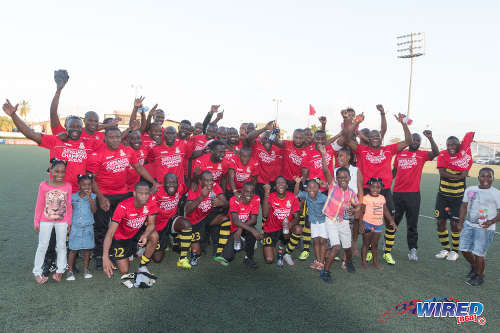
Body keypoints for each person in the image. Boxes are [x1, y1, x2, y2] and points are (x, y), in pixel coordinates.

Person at [343, 110, 412, 265]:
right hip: (367, 191)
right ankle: (363, 250)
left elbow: (408, 141)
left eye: (378, 137)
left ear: (381, 139)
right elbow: (347, 139)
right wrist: (355, 122)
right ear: (368, 139)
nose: (375, 139)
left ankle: (387, 251)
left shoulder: (388, 149)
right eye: (372, 137)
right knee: (362, 220)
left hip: (385, 191)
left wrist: (403, 123)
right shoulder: (362, 150)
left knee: (390, 221)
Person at [87, 127, 159, 271]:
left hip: (123, 193)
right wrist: (100, 197)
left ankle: (125, 249)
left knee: (125, 223)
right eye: (111, 137)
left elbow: (138, 168)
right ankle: (100, 256)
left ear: (121, 138)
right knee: (101, 226)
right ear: (105, 138)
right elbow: (91, 180)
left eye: (117, 137)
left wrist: (154, 182)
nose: (115, 140)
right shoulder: (96, 155)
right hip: (105, 195)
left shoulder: (127, 151)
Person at [390, 130, 439, 261]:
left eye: (418, 140)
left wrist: (430, 138)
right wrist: (386, 184)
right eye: (413, 139)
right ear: (409, 140)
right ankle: (387, 245)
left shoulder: (422, 155)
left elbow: (436, 153)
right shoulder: (400, 154)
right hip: (398, 193)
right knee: (393, 220)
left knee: (412, 224)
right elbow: (393, 172)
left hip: (413, 195)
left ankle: (413, 249)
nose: (416, 142)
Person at [102, 181, 159, 288]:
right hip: (121, 238)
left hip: (137, 232)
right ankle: (122, 253)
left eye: (146, 193)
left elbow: (151, 224)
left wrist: (145, 235)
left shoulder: (151, 201)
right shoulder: (123, 206)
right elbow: (109, 234)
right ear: (134, 194)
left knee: (154, 235)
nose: (144, 196)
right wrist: (105, 257)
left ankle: (142, 265)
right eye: (141, 193)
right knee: (124, 271)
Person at [434, 132, 475, 261]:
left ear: (459, 146)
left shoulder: (464, 157)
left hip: (458, 198)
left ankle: (455, 251)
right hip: (443, 196)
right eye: (448, 144)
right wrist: (459, 176)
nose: (450, 146)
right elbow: (442, 173)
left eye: (454, 144)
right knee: (440, 223)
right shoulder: (443, 155)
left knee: (454, 225)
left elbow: (466, 169)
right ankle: (446, 249)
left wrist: (464, 173)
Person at [32, 159, 72, 284]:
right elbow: (39, 204)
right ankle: (37, 272)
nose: (60, 175)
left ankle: (60, 271)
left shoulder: (68, 186)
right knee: (43, 245)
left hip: (62, 221)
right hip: (45, 220)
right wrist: (36, 221)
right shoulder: (43, 185)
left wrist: (69, 221)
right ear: (51, 170)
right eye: (57, 171)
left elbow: (69, 205)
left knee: (61, 246)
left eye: (62, 172)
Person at [459, 168, 500, 286]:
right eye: (483, 176)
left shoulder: (496, 193)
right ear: (478, 177)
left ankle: (479, 276)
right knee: (464, 249)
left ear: (493, 178)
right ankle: (475, 266)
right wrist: (461, 223)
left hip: (485, 228)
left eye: (489, 176)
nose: (486, 179)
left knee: (479, 253)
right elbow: (464, 206)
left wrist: (491, 222)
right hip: (469, 225)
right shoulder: (471, 190)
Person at [319, 167, 359, 283]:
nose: (342, 179)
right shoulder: (333, 186)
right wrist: (323, 154)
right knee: (336, 247)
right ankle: (325, 272)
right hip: (331, 220)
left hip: (343, 221)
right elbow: (326, 171)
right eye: (340, 177)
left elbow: (358, 206)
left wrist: (354, 210)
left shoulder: (352, 193)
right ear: (336, 179)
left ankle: (348, 261)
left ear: (349, 178)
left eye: (345, 177)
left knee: (347, 247)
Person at [184, 171, 231, 266]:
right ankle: (190, 243)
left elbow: (226, 203)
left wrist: (221, 203)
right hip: (194, 221)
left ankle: (219, 251)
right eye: (207, 180)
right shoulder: (194, 189)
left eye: (211, 180)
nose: (210, 183)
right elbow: (187, 210)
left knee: (225, 219)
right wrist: (201, 197)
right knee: (197, 253)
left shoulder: (215, 186)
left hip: (207, 216)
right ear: (200, 181)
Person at [152, 173, 193, 269]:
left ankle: (182, 259)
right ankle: (151, 243)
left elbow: (187, 185)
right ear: (163, 184)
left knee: (186, 224)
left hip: (170, 221)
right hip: (157, 225)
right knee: (157, 259)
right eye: (168, 183)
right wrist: (150, 192)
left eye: (174, 182)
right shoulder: (157, 192)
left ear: (178, 183)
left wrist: (193, 175)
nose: (171, 185)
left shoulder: (180, 188)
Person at [261, 177, 300, 267]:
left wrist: (291, 224)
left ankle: (286, 252)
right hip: (270, 229)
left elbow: (297, 217)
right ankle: (276, 245)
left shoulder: (292, 197)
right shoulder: (270, 196)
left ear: (286, 186)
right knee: (269, 260)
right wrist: (267, 193)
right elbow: (265, 214)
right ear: (274, 187)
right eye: (278, 183)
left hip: (286, 228)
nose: (281, 184)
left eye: (283, 183)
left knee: (298, 229)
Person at [222, 182, 263, 269]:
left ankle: (248, 258)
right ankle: (242, 242)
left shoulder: (256, 199)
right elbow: (235, 221)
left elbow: (254, 220)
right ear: (242, 191)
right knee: (228, 257)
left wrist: (241, 229)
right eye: (247, 192)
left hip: (245, 226)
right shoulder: (234, 199)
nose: (249, 194)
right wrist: (253, 230)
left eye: (252, 192)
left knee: (251, 233)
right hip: (232, 227)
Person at [360, 178, 397, 270]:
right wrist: (361, 224)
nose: (375, 190)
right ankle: (364, 262)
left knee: (375, 244)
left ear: (381, 189)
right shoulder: (366, 198)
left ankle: (375, 262)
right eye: (373, 187)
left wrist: (391, 221)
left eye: (378, 188)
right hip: (368, 224)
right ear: (369, 187)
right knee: (366, 243)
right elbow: (361, 212)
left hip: (378, 225)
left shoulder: (382, 198)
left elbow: (385, 210)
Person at [226, 147, 259, 251]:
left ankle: (244, 234)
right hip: (233, 188)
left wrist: (250, 193)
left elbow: (254, 179)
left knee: (248, 214)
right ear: (239, 155)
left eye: (248, 156)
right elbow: (231, 177)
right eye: (243, 156)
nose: (246, 159)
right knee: (232, 213)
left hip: (246, 190)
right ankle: (230, 235)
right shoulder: (233, 159)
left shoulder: (254, 163)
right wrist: (235, 191)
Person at [66, 174, 97, 281]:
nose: (86, 187)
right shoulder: (73, 197)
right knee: (73, 249)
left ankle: (86, 269)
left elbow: (94, 210)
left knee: (86, 249)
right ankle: (70, 271)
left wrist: (89, 198)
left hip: (88, 227)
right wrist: (68, 225)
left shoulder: (93, 197)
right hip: (75, 227)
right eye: (84, 185)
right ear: (79, 185)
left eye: (89, 185)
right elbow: (69, 211)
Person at [293, 177, 327, 270]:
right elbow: (296, 194)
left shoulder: (323, 197)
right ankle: (318, 261)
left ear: (319, 188)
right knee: (315, 241)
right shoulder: (307, 195)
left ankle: (322, 262)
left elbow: (330, 204)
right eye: (309, 188)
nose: (312, 190)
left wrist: (326, 211)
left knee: (322, 242)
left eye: (314, 187)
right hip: (313, 222)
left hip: (323, 222)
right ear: (306, 189)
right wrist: (297, 183)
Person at [251, 130, 283, 201]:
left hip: (272, 182)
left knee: (270, 204)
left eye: (270, 139)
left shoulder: (278, 149)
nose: (267, 141)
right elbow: (249, 138)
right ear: (261, 139)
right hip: (258, 182)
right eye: (265, 138)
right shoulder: (256, 146)